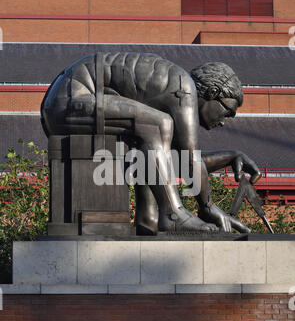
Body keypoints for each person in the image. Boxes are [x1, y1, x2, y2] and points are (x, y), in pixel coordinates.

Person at [41, 52, 261, 234]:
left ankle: (149, 221)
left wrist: (230, 156)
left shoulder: (172, 89)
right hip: (70, 99)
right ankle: (173, 215)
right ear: (213, 92)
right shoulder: (184, 88)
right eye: (228, 112)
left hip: (65, 102)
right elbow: (189, 157)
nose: (224, 122)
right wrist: (207, 207)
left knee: (151, 146)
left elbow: (173, 162)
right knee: (158, 124)